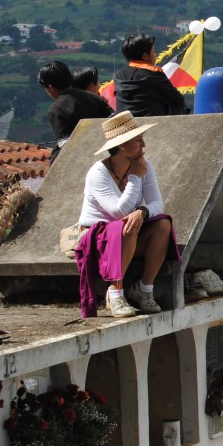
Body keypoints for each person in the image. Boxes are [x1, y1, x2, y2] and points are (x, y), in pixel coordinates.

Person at [76, 111, 178, 318]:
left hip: (126, 234)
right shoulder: (98, 173)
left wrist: (143, 211)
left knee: (162, 225)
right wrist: (134, 178)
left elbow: (157, 203)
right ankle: (115, 293)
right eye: (138, 140)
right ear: (122, 146)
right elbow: (118, 212)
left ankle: (144, 289)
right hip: (98, 239)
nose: (143, 146)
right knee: (126, 224)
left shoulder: (144, 166)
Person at [38, 60, 113, 161]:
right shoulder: (95, 98)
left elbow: (65, 144)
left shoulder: (56, 109)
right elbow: (114, 119)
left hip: (78, 161)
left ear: (50, 88)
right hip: (105, 152)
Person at [114, 33, 189, 117]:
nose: (155, 55)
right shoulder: (153, 74)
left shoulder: (119, 75)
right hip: (148, 123)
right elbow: (178, 100)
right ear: (145, 56)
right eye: (153, 52)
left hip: (125, 123)